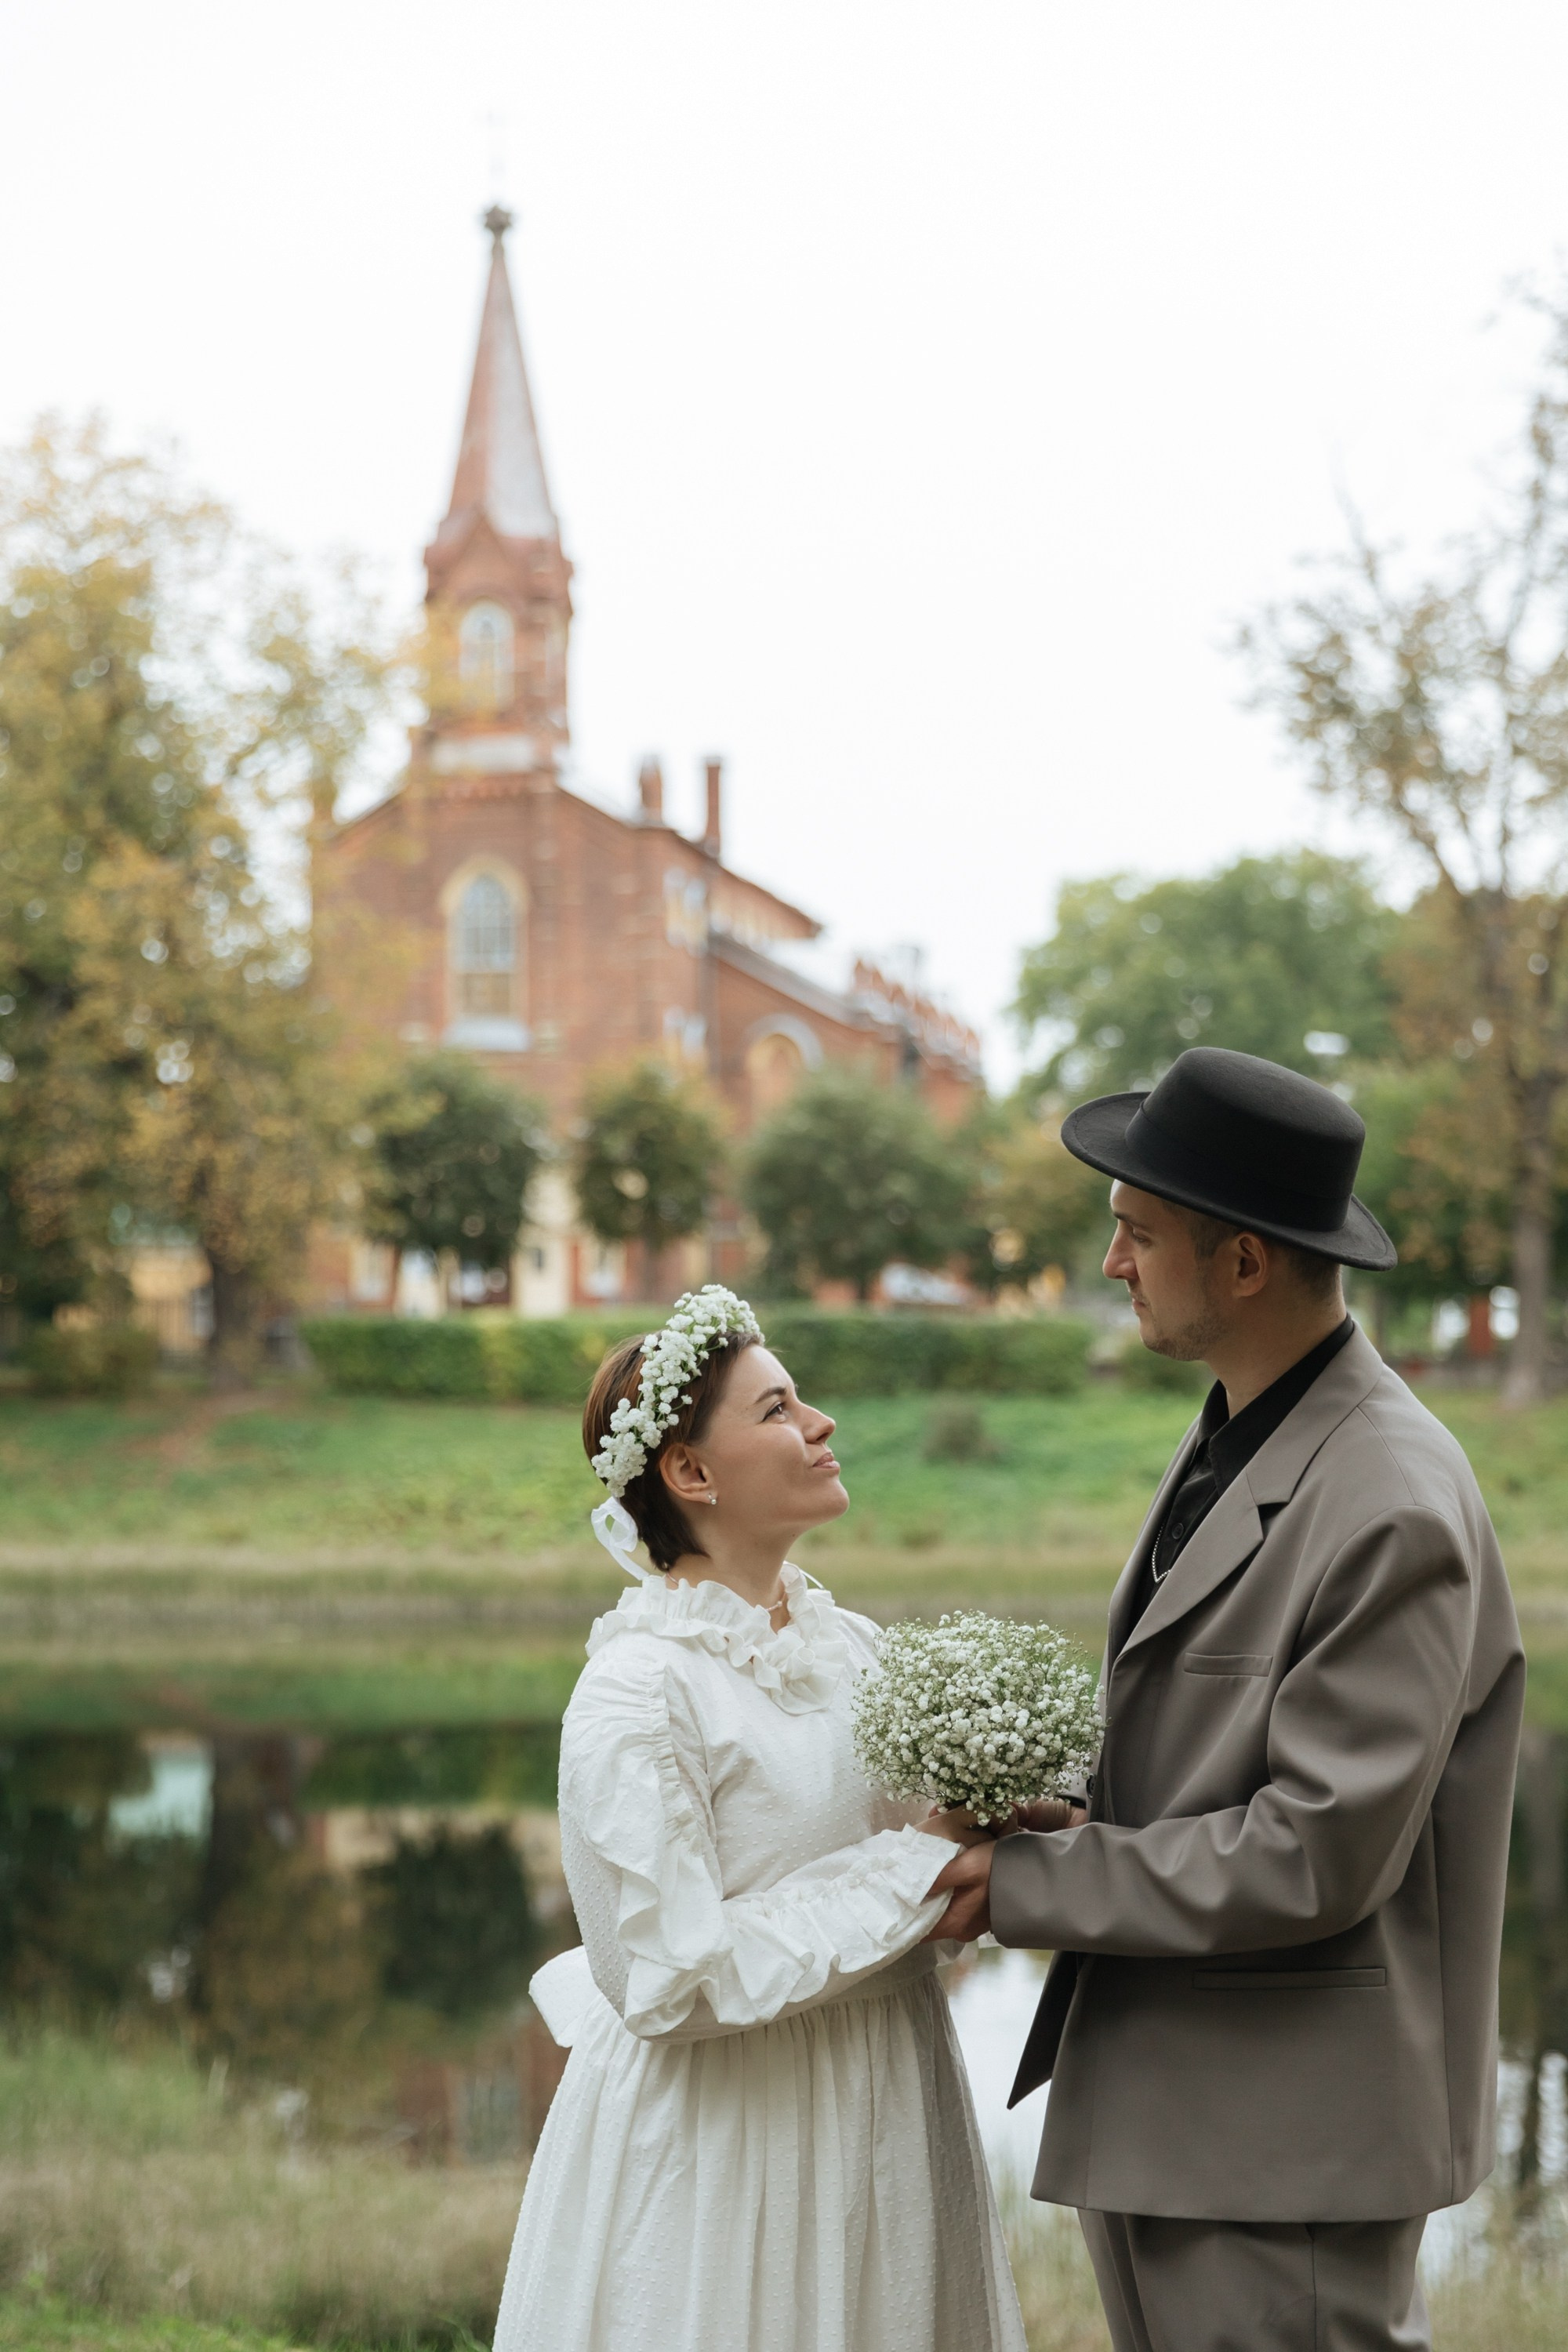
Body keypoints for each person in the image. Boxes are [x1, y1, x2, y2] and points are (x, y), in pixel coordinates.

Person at [929, 1047, 1526, 2352]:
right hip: (1186, 2119)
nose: (1112, 1266)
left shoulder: (1390, 1499)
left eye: (1139, 1235)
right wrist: (1064, 1809)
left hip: (1286, 2151)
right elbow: (1207, 1752)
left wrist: (1027, 1887)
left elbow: (1317, 1852)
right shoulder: (1244, 1427)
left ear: (1244, 1262)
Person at [492, 1285, 1027, 2352]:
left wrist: (1006, 1826)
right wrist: (915, 1872)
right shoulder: (640, 1693)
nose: (820, 1424)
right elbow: (671, 1976)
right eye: (778, 1409)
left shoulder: (856, 1649)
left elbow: (940, 1859)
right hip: (731, 2140)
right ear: (689, 1473)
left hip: (887, 2101)